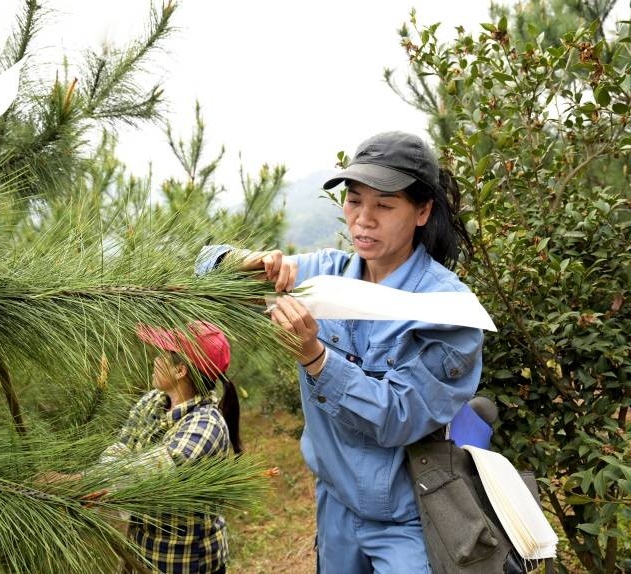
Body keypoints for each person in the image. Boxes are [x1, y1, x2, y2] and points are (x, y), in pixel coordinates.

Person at [195, 131, 484, 573]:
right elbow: (202, 273)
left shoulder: (446, 309)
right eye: (354, 201)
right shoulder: (323, 276)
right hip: (335, 504)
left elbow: (400, 416)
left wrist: (317, 359)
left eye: (385, 206)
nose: (363, 220)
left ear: (422, 211)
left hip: (408, 513)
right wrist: (242, 262)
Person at [43, 320, 241, 574]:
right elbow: (122, 448)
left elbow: (147, 472)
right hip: (142, 550)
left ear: (180, 370)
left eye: (163, 354)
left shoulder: (206, 426)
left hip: (185, 562)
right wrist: (93, 488)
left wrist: (76, 482)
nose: (155, 359)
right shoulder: (153, 401)